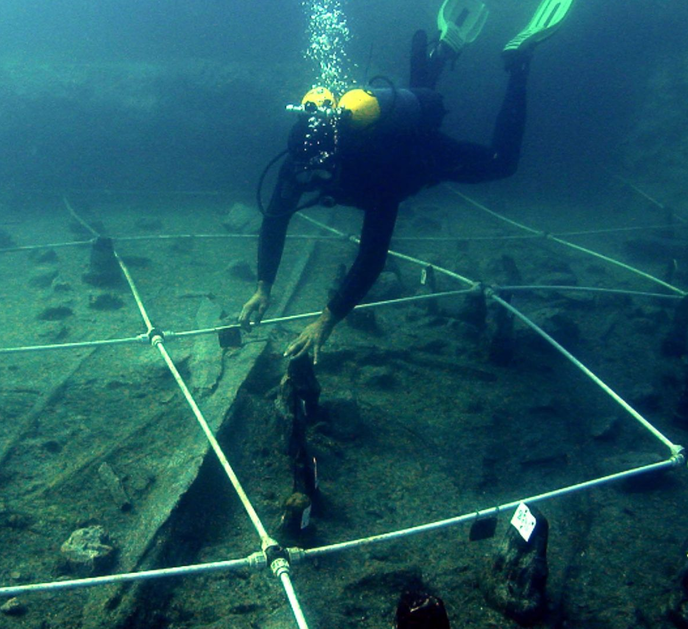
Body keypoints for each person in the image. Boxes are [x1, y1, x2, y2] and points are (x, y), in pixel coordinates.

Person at [239, 0, 572, 364]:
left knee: (502, 164)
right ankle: (442, 50)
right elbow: (275, 221)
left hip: (420, 159)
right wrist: (263, 288)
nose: (310, 180)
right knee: (419, 101)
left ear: (335, 157)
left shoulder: (374, 171)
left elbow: (372, 256)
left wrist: (326, 320)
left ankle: (519, 61)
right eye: (306, 171)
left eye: (317, 173)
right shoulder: (298, 161)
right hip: (395, 140)